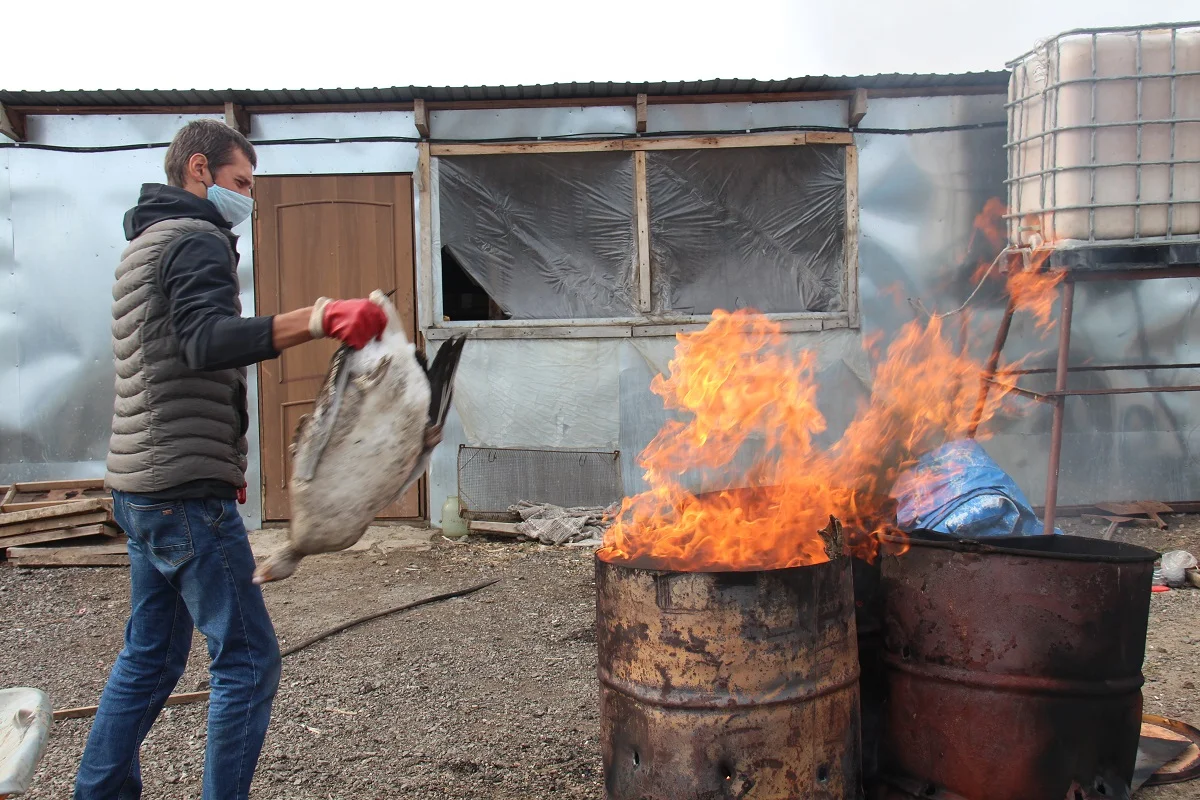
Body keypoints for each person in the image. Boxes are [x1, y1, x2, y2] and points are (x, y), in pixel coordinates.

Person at [74, 118, 387, 800]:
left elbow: (169, 360)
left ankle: (97, 791)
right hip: (181, 492)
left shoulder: (144, 244)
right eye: (241, 183)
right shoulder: (194, 238)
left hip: (142, 486)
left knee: (151, 658)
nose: (248, 198)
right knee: (248, 661)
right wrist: (319, 317)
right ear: (197, 169)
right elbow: (204, 342)